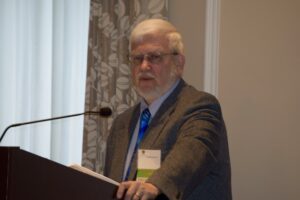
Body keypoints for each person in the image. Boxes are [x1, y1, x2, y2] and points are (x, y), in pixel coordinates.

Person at [104, 19, 232, 200]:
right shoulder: (122, 123)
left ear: (178, 63)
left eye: (154, 57)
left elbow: (191, 154)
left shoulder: (200, 106)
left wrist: (154, 185)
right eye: (137, 58)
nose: (144, 66)